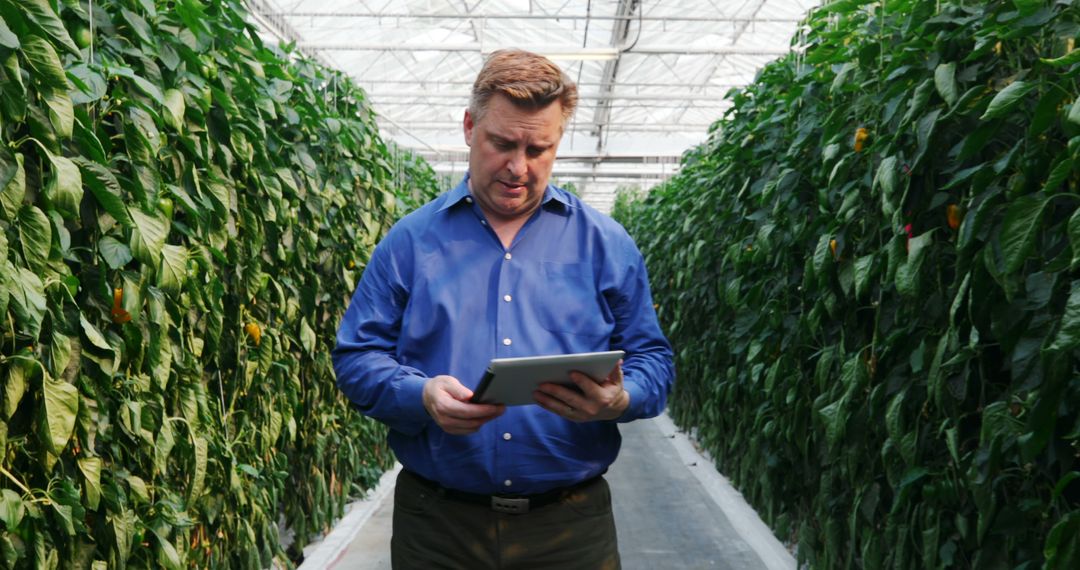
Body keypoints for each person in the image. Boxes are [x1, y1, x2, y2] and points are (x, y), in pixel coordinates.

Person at [333, 49, 674, 569]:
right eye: (502, 143)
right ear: (470, 127)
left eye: (539, 148)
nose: (519, 167)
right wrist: (420, 394)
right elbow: (357, 356)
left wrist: (622, 400)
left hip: (570, 529)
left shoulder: (605, 243)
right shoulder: (412, 242)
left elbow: (654, 358)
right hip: (439, 529)